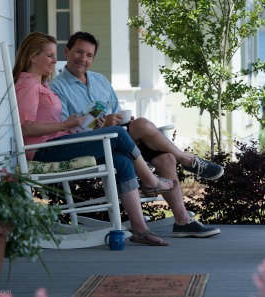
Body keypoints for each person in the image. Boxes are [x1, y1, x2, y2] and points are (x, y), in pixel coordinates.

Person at [50, 31, 224, 238]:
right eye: (79, 52)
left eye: (89, 55)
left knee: (165, 157)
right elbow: (65, 130)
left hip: (121, 138)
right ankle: (187, 159)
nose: (83, 59)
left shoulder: (100, 81)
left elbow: (116, 110)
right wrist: (100, 125)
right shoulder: (56, 88)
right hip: (94, 144)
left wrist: (121, 120)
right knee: (142, 125)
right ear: (67, 51)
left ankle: (182, 221)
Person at [13, 31, 178, 246]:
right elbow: (26, 127)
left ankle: (139, 229)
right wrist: (65, 124)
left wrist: (83, 124)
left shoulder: (41, 84)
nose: (54, 61)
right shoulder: (27, 84)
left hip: (59, 142)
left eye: (54, 56)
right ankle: (151, 181)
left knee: (121, 160)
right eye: (50, 55)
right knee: (118, 133)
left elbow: (54, 124)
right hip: (44, 150)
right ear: (33, 56)